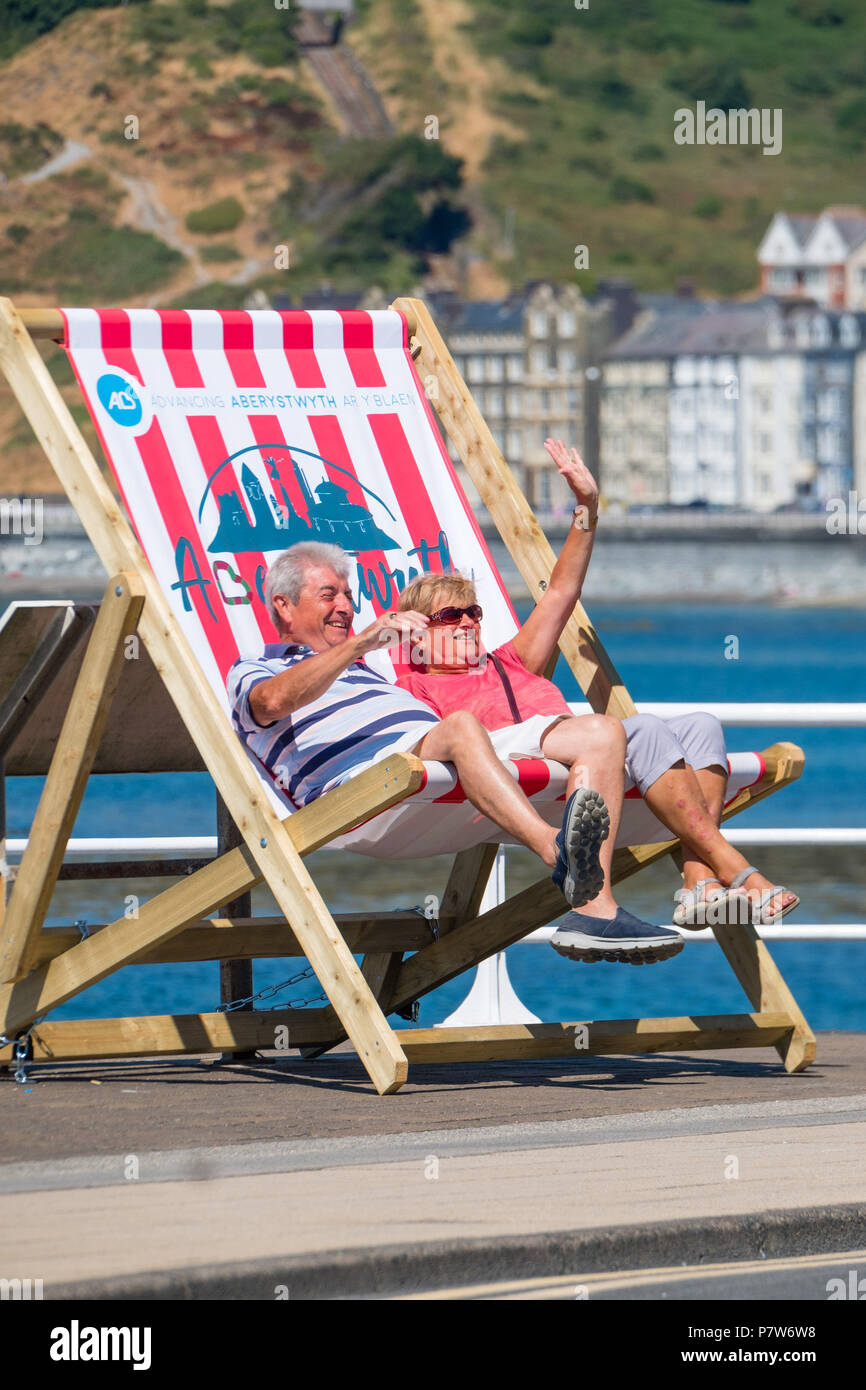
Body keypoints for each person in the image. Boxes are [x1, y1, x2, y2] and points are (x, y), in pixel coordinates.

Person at [395, 437, 799, 962]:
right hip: (516, 767)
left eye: (474, 613)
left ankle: (700, 882)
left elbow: (561, 593)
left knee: (700, 724)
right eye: (452, 617)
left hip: (579, 761)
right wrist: (389, 638)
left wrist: (587, 510)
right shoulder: (414, 683)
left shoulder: (511, 660)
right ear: (418, 634)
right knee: (633, 729)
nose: (470, 622)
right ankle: (731, 873)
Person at [227, 540, 621, 925]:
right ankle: (555, 849)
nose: (345, 607)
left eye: (348, 595)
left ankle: (597, 898)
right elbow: (272, 703)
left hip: (444, 756)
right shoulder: (256, 668)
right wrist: (361, 643)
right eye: (329, 595)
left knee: (600, 732)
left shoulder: (366, 673)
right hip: (370, 785)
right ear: (284, 605)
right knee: (462, 727)